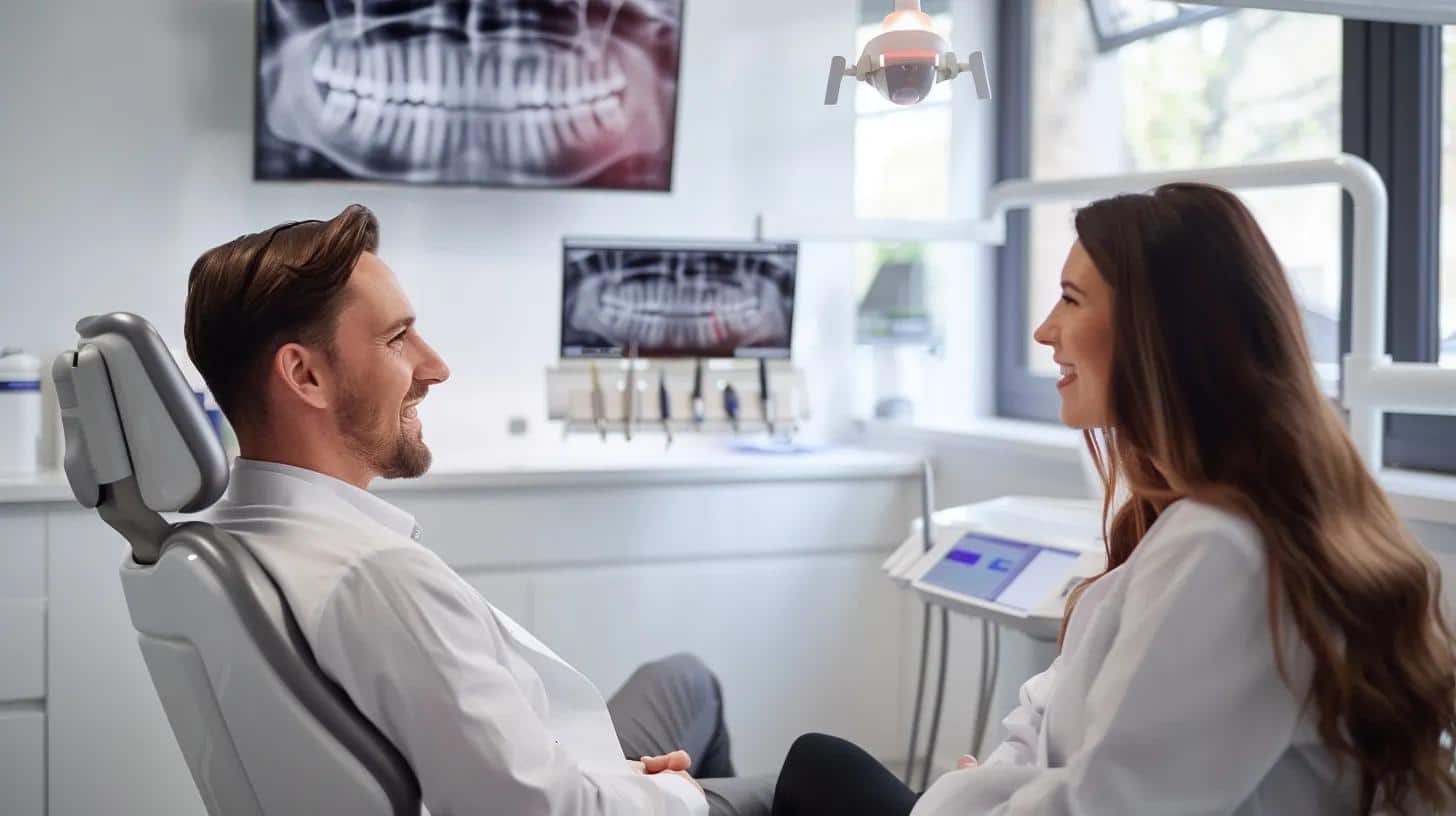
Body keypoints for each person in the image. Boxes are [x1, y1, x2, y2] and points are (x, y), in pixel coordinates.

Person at [771, 183, 1456, 815]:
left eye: (1071, 299)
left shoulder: (1222, 547)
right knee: (821, 768)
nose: (1044, 331)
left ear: (1159, 334)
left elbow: (1111, 804)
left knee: (815, 768)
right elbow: (1049, 720)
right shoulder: (1188, 524)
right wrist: (982, 787)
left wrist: (971, 797)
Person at [183, 204, 774, 816]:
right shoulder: (373, 575)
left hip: (553, 763)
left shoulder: (233, 541)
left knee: (684, 677)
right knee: (823, 772)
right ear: (305, 375)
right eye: (396, 339)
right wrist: (672, 791)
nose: (435, 367)